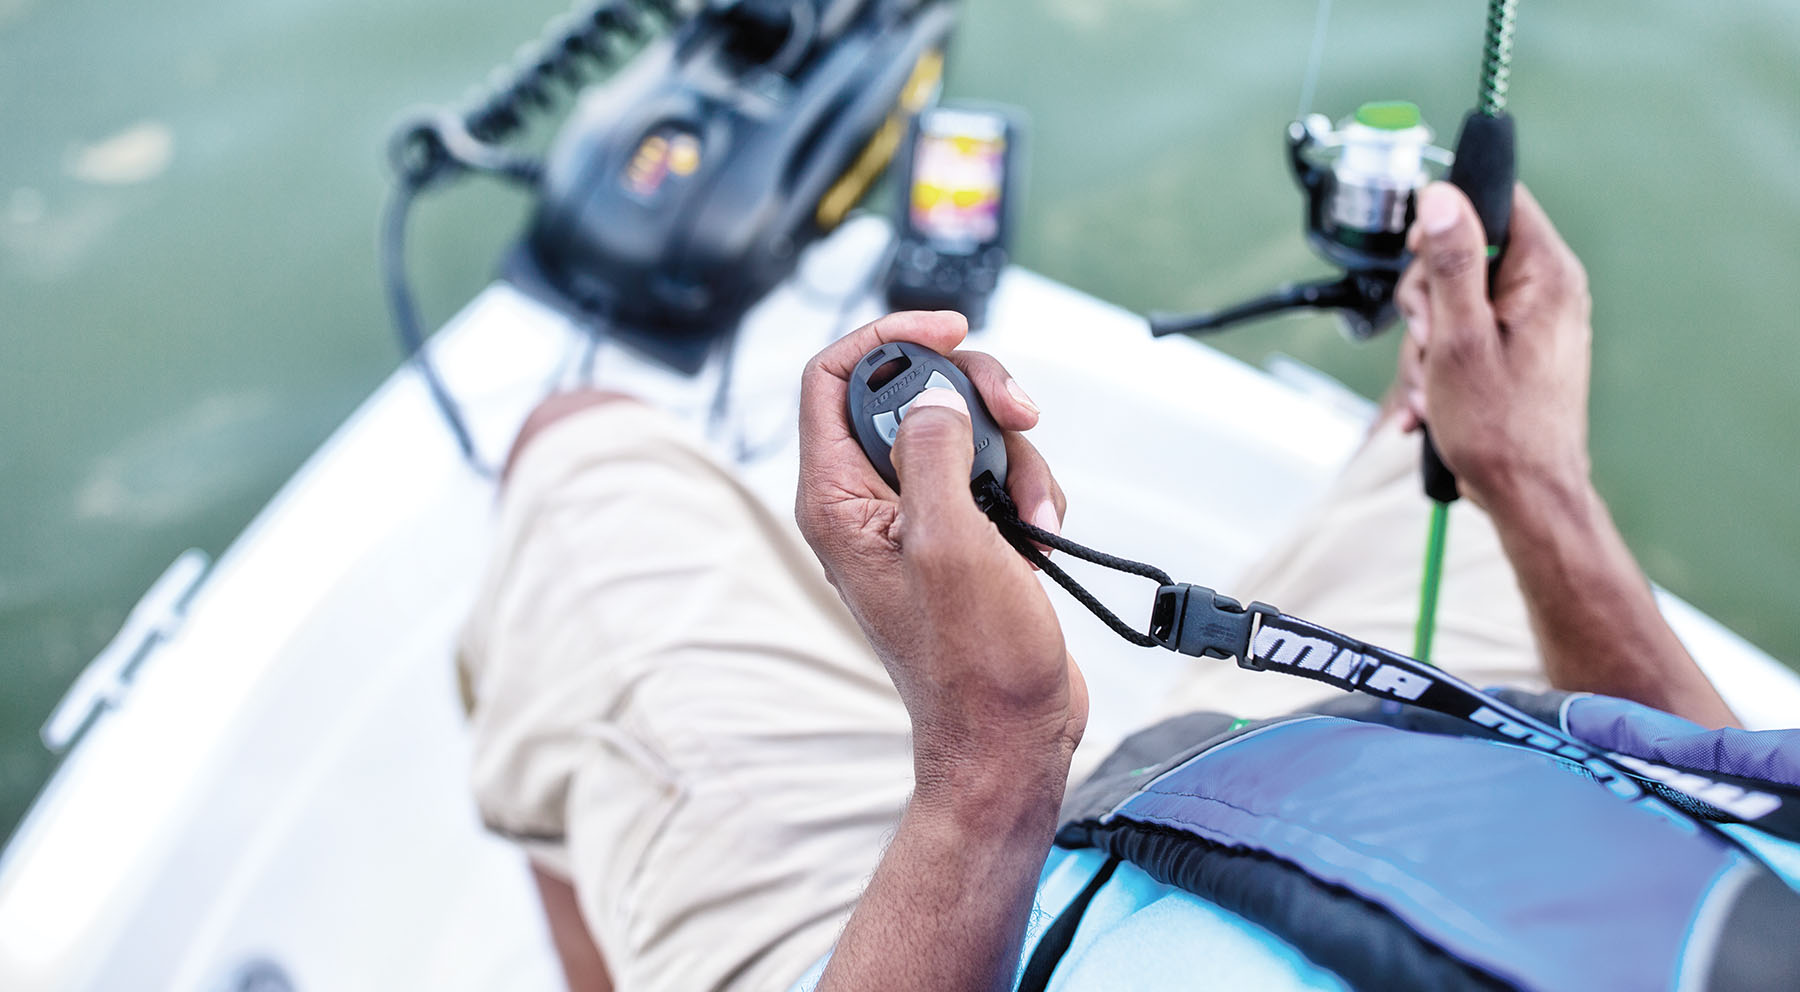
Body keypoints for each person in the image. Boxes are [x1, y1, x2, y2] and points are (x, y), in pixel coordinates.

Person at [456, 180, 1798, 992]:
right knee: (1432, 449)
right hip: (1420, 776)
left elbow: (993, 781)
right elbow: (1728, 801)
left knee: (575, 454)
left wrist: (988, 775)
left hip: (960, 925)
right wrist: (1534, 486)